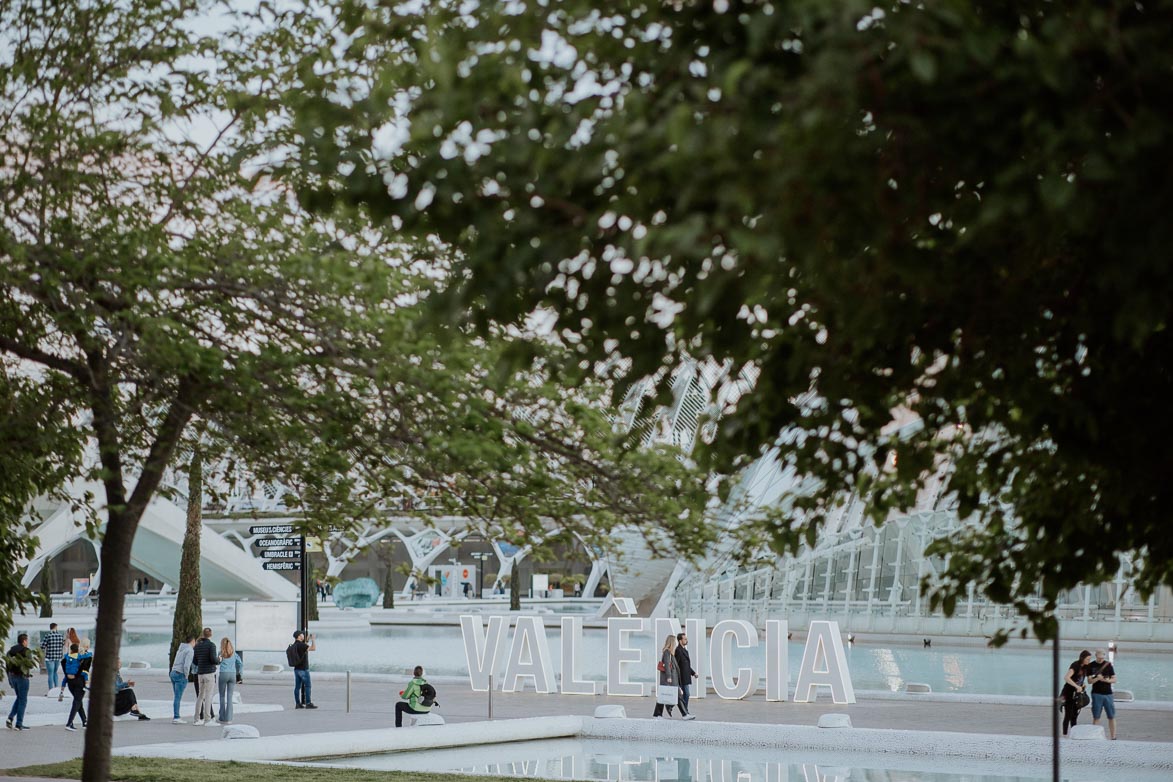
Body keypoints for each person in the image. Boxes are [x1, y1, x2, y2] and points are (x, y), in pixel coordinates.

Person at [5, 633, 34, 731]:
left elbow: (7, 665)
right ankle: (19, 724)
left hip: (13, 677)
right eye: (27, 640)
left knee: (19, 698)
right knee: (23, 700)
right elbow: (30, 665)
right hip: (23, 677)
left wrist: (10, 680)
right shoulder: (27, 651)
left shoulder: (10, 651)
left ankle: (10, 718)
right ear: (24, 641)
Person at [191, 627, 219, 726]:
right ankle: (207, 719)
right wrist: (219, 659)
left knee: (200, 696)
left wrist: (202, 662)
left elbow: (194, 661)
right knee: (208, 696)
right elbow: (213, 660)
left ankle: (196, 719)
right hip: (209, 673)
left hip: (200, 673)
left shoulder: (197, 646)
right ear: (210, 635)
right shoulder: (211, 645)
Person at [1060, 649, 1091, 736]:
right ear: (1082, 658)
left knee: (1074, 715)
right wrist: (1076, 686)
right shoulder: (1075, 665)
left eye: (1089, 659)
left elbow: (1080, 679)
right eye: (1087, 659)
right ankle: (1065, 735)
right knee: (1068, 715)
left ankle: (1074, 734)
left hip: (1077, 694)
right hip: (1068, 693)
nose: (1089, 661)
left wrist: (1082, 685)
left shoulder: (1085, 667)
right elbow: (1066, 678)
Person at [1088, 648, 1118, 739]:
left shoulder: (1108, 665)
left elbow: (1114, 679)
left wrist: (1106, 680)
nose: (1101, 659)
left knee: (1111, 716)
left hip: (1108, 693)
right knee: (1096, 716)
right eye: (1099, 657)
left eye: (1102, 657)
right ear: (1096, 655)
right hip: (1096, 693)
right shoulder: (1091, 665)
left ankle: (1113, 736)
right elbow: (1089, 681)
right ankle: (1095, 736)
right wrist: (1097, 678)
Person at [61, 642, 91, 730]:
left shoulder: (67, 657)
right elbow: (86, 664)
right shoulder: (81, 657)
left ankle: (84, 721)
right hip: (79, 682)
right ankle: (69, 723)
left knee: (78, 701)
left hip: (70, 682)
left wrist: (67, 675)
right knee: (77, 702)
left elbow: (63, 662)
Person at [652, 634, 680, 719]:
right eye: (674, 642)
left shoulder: (669, 652)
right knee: (664, 696)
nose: (675, 643)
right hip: (667, 678)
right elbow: (667, 665)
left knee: (663, 695)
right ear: (671, 642)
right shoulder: (667, 652)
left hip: (668, 678)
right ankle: (658, 713)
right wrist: (669, 677)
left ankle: (658, 713)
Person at [170, 635, 196, 724]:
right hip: (180, 674)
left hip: (173, 672)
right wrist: (186, 675)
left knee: (176, 697)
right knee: (178, 697)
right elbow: (186, 665)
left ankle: (176, 716)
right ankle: (176, 717)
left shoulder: (181, 649)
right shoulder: (190, 650)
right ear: (193, 641)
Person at [217, 637, 242, 724]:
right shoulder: (234, 653)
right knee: (229, 697)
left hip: (223, 674)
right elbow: (240, 663)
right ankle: (229, 718)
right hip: (232, 675)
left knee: (222, 696)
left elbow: (218, 662)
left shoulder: (220, 653)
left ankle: (222, 717)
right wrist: (239, 672)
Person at [674, 632, 698, 721]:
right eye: (685, 639)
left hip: (686, 677)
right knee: (686, 694)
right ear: (680, 641)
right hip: (681, 678)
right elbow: (676, 665)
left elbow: (686, 665)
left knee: (685, 695)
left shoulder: (685, 650)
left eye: (686, 639)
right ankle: (685, 712)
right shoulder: (678, 650)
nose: (686, 640)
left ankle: (685, 712)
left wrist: (693, 673)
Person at [291, 630, 317, 709]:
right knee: (308, 686)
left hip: (297, 669)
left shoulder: (294, 645)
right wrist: (313, 639)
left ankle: (297, 704)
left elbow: (304, 647)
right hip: (304, 669)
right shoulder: (301, 645)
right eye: (302, 634)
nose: (303, 635)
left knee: (297, 687)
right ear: (299, 636)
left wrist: (307, 639)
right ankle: (308, 703)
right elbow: (313, 648)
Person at [41, 622, 64, 695]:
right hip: (58, 657)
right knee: (55, 673)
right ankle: (57, 690)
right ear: (56, 627)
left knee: (50, 674)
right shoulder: (60, 636)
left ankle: (51, 691)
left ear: (50, 627)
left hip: (49, 658)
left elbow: (42, 647)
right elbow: (62, 645)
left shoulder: (48, 636)